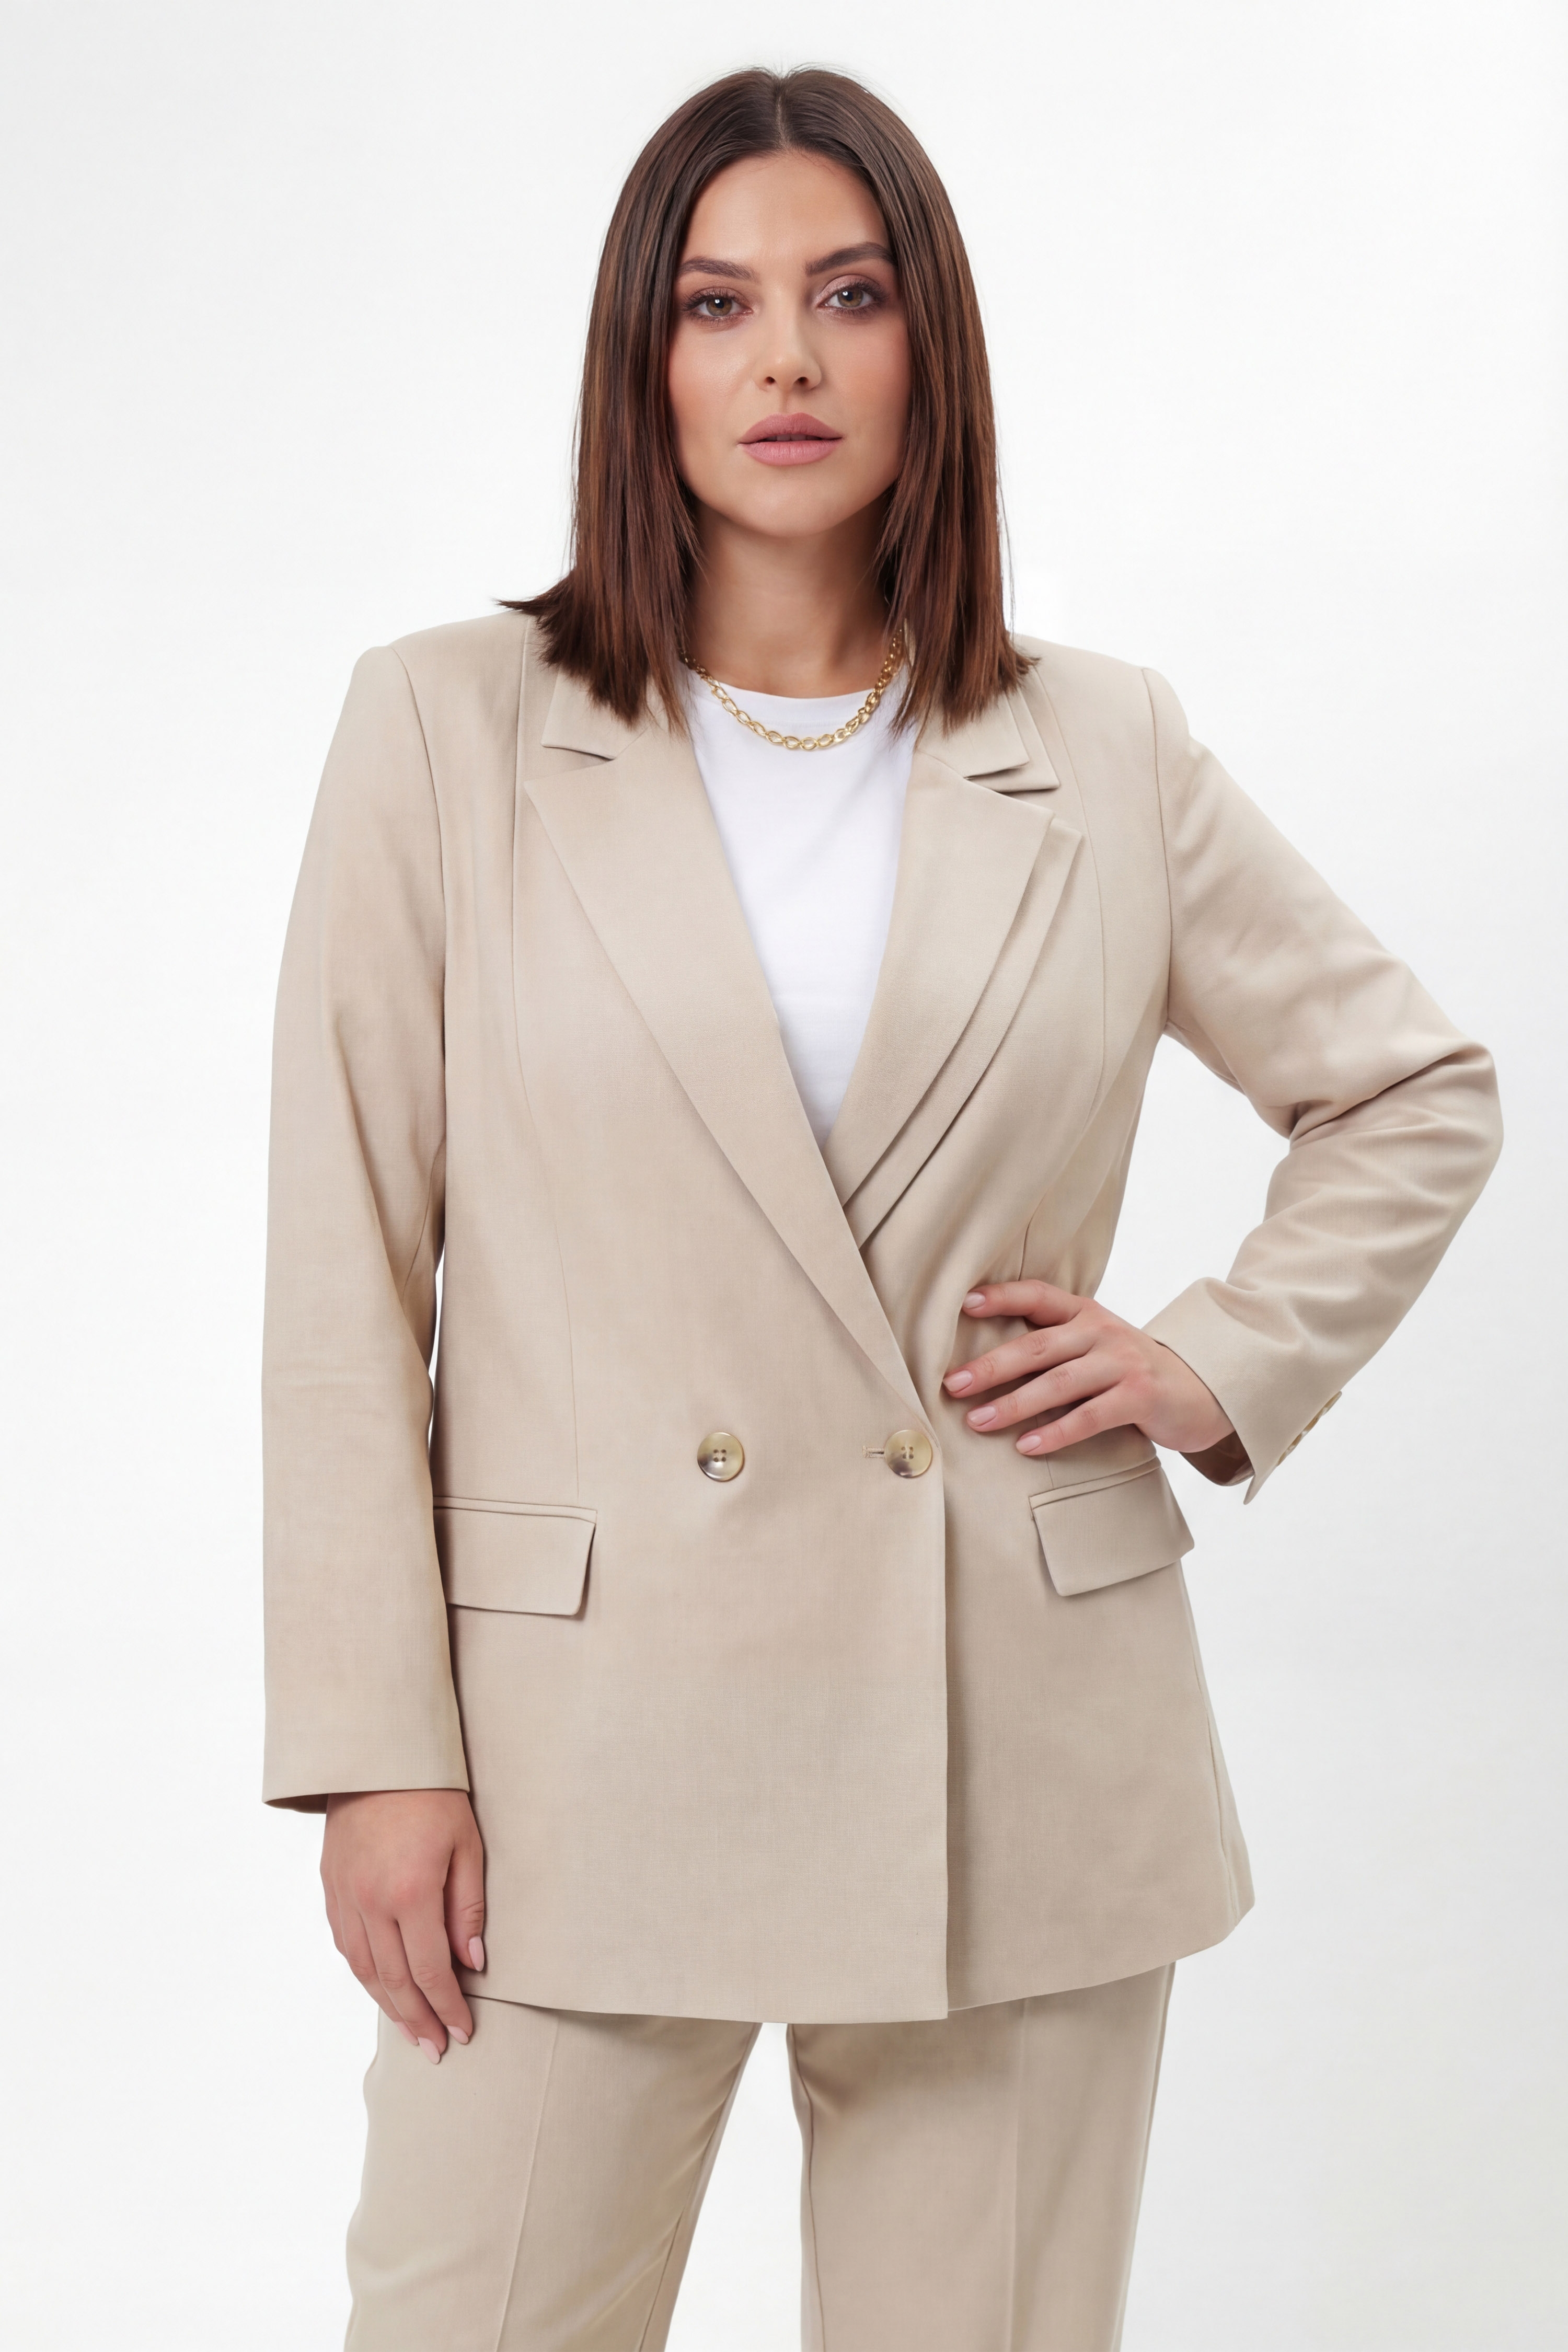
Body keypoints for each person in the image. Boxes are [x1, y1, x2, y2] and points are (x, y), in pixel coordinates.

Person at [262, 64, 1501, 2352]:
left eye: (850, 296)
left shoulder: (1102, 746)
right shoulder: (447, 729)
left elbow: (1413, 1089)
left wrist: (1212, 1355)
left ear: (933, 343)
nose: (787, 361)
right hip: (568, 1760)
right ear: (643, 359)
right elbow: (341, 1274)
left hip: (1015, 1749)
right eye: (716, 304)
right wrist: (376, 1750)